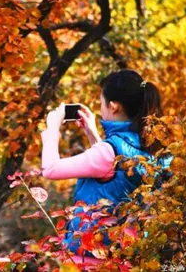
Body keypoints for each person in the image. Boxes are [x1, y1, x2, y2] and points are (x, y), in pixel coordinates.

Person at [40, 69, 170, 262]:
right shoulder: (150, 146)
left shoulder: (109, 151)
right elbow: (114, 176)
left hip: (91, 260)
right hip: (127, 258)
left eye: (101, 103)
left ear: (113, 107)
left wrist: (52, 128)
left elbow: (50, 169)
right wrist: (93, 135)